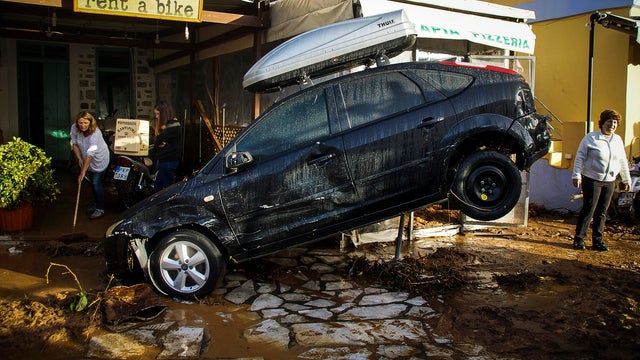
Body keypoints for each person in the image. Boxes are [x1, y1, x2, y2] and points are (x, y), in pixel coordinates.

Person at [571, 109, 631, 251]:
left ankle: (598, 240)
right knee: (589, 209)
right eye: (610, 121)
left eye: (615, 122)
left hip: (610, 180)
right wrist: (576, 175)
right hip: (592, 179)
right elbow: (580, 157)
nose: (612, 125)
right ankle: (579, 239)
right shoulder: (591, 138)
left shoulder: (617, 140)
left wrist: (626, 179)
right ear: (603, 122)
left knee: (602, 211)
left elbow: (622, 160)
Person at [70, 111, 110, 219]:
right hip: (85, 157)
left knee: (96, 182)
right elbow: (74, 143)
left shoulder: (95, 133)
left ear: (90, 122)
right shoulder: (74, 128)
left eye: (85, 123)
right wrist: (79, 158)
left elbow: (90, 154)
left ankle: (100, 209)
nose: (83, 125)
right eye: (80, 123)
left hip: (99, 159)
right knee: (92, 183)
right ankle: (96, 204)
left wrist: (82, 172)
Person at [153, 100, 183, 192]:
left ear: (164, 114)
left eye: (158, 114)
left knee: (167, 190)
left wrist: (159, 141)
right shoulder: (167, 125)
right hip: (165, 161)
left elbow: (158, 140)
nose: (156, 117)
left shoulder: (173, 124)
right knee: (158, 188)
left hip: (169, 161)